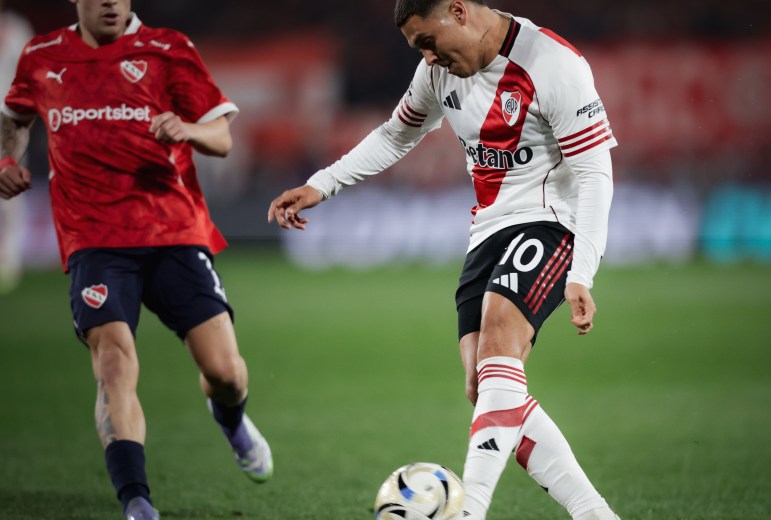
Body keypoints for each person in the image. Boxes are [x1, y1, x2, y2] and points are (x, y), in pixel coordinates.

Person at [268, 1, 619, 518]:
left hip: (552, 220)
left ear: (457, 10)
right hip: (488, 231)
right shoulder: (436, 74)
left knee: (500, 340)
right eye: (418, 49)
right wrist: (322, 185)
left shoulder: (551, 63)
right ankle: (595, 514)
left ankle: (468, 509)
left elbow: (594, 173)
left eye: (427, 41)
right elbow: (396, 133)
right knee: (488, 391)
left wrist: (582, 271)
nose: (428, 58)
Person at [0, 1, 273, 519]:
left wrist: (189, 130)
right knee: (113, 364)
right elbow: (13, 121)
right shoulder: (41, 55)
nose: (110, 3)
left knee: (226, 373)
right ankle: (137, 503)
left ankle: (232, 421)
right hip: (94, 239)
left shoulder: (168, 49)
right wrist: (8, 159)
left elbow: (222, 137)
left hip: (172, 231)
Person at [0, 0, 32, 293]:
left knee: (12, 193)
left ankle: (9, 261)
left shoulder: (17, 28)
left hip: (9, 123)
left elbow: (28, 74)